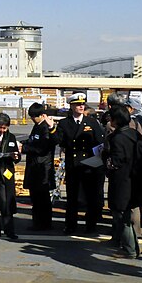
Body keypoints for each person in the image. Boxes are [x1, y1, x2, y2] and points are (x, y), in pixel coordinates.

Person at [50, 92, 105, 234]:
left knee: (90, 196)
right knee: (72, 197)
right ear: (72, 106)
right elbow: (59, 141)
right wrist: (52, 129)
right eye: (78, 104)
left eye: (83, 104)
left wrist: (96, 162)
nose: (81, 106)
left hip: (89, 165)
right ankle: (70, 225)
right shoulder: (64, 123)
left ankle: (90, 224)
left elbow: (100, 142)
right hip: (73, 164)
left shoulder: (91, 122)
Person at [103, 104, 140, 259]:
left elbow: (115, 162)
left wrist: (105, 158)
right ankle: (124, 243)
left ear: (116, 120)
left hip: (121, 180)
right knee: (126, 212)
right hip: (135, 178)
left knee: (121, 215)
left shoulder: (117, 138)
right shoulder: (134, 134)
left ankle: (130, 249)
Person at [21, 103, 56, 230]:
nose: (32, 119)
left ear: (42, 115)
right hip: (35, 166)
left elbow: (42, 148)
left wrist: (24, 148)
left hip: (42, 167)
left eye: (34, 117)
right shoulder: (37, 126)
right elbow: (32, 141)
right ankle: (38, 222)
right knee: (35, 197)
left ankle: (44, 223)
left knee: (42, 198)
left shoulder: (45, 128)